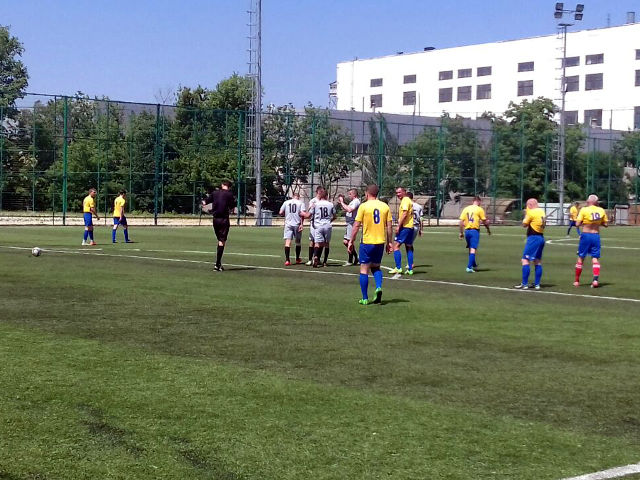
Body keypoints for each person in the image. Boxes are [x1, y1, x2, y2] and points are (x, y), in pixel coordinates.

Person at [348, 184, 393, 305]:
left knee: (364, 269)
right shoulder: (385, 206)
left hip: (367, 242)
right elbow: (389, 227)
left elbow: (356, 225)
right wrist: (389, 242)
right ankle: (378, 287)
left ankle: (365, 298)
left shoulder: (363, 206)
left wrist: (351, 241)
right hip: (380, 242)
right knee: (376, 267)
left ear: (367, 193)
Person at [574, 194, 608, 288]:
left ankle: (576, 281)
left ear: (588, 201)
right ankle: (595, 280)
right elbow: (605, 224)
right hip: (596, 235)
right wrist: (598, 222)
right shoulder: (601, 210)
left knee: (581, 257)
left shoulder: (584, 210)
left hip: (586, 235)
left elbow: (577, 224)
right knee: (595, 258)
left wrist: (583, 222)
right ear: (596, 202)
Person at [202, 180, 235, 271]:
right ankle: (217, 264)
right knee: (222, 241)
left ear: (222, 185)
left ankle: (219, 264)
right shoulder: (229, 194)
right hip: (224, 220)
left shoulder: (215, 193)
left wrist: (203, 203)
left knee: (220, 240)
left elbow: (205, 201)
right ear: (229, 187)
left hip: (215, 220)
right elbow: (232, 206)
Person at [515, 198, 546, 290]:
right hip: (541, 237)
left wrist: (526, 214)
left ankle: (524, 284)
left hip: (533, 238)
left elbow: (524, 224)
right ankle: (537, 284)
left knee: (525, 260)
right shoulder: (541, 211)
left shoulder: (531, 212)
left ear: (530, 205)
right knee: (537, 261)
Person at [458, 196, 491, 272]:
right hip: (474, 231)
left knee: (470, 248)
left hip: (467, 231)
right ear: (479, 201)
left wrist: (461, 232)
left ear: (473, 201)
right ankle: (469, 267)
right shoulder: (479, 209)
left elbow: (461, 222)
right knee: (473, 249)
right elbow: (484, 221)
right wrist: (488, 229)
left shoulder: (466, 209)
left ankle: (474, 264)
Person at [306, 188, 336, 267]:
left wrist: (302, 214)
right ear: (326, 196)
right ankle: (325, 262)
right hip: (327, 225)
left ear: (320, 196)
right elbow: (334, 216)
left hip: (318, 226)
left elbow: (308, 215)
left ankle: (315, 256)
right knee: (326, 244)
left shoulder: (316, 204)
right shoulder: (330, 204)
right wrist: (330, 220)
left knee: (317, 243)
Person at [389, 186, 415, 275]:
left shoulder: (405, 200)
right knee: (409, 247)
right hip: (410, 227)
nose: (398, 194)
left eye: (399, 192)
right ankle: (410, 269)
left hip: (405, 227)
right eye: (396, 193)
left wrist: (398, 226)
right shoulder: (408, 200)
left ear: (404, 192)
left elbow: (404, 213)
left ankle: (398, 268)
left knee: (396, 246)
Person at [278, 192, 306, 266]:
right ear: (298, 197)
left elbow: (280, 212)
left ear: (292, 196)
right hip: (297, 224)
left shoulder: (286, 202)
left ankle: (287, 260)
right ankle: (297, 258)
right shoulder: (301, 203)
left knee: (288, 242)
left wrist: (286, 214)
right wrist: (302, 224)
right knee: (298, 242)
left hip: (288, 224)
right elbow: (302, 214)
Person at [337, 188, 361, 266]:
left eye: (350, 194)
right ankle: (355, 258)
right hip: (349, 224)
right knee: (346, 242)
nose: (349, 195)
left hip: (352, 224)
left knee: (348, 241)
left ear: (354, 194)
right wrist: (342, 204)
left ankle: (351, 260)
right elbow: (347, 209)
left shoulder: (356, 201)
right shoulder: (352, 202)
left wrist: (342, 202)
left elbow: (350, 210)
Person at [305, 186, 324, 265]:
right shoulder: (313, 201)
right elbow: (309, 211)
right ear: (317, 192)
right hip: (314, 223)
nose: (321, 194)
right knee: (312, 241)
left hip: (321, 223)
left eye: (322, 192)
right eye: (320, 192)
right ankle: (310, 259)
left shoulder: (324, 201)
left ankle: (317, 258)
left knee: (321, 241)